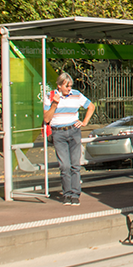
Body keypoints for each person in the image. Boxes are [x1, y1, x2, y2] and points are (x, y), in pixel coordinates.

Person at [43, 73, 96, 206]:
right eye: (66, 86)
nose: (69, 89)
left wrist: (84, 122)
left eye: (70, 86)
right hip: (58, 133)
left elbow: (91, 106)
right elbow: (46, 118)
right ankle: (67, 194)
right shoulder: (49, 96)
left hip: (73, 131)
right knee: (64, 165)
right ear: (59, 86)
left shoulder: (76, 94)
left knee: (75, 165)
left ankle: (75, 194)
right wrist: (54, 104)